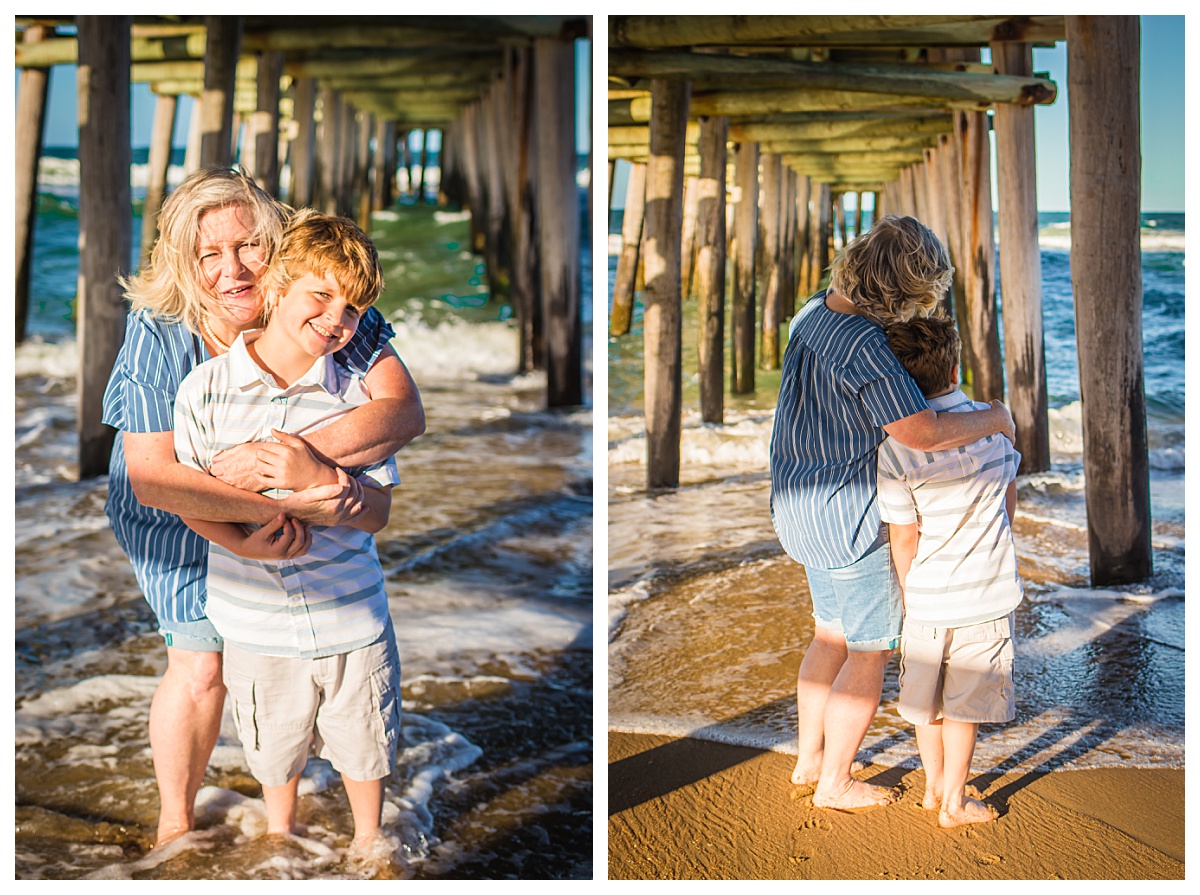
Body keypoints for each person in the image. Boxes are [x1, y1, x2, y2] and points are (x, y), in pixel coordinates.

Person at [101, 167, 424, 847]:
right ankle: (176, 828)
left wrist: (281, 457)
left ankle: (304, 810)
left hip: (283, 489)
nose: (232, 268)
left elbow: (402, 409)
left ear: (276, 245)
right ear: (183, 262)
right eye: (207, 253)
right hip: (171, 501)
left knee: (278, 650)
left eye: (248, 245)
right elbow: (156, 476)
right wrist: (249, 524)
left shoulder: (325, 301)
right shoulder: (160, 328)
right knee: (201, 659)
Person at [768, 215, 1016, 811]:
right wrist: (998, 418)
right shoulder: (868, 346)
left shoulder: (812, 311)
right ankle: (835, 782)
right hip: (851, 518)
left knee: (828, 635)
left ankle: (809, 760)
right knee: (870, 651)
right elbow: (923, 430)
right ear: (906, 291)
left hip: (798, 505)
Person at [174, 210, 402, 847]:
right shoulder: (204, 390)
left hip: (353, 617)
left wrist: (329, 488)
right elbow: (189, 497)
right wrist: (241, 542)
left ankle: (368, 842)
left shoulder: (358, 398)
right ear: (276, 285)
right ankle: (282, 841)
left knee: (365, 746)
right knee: (275, 749)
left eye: (353, 309)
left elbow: (380, 510)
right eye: (321, 295)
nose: (337, 319)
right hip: (254, 620)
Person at [876, 314, 1023, 828]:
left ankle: (933, 785)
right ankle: (955, 803)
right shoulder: (994, 426)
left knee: (928, 700)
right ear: (957, 365)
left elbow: (904, 536)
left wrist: (910, 593)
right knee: (965, 703)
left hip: (927, 597)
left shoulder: (895, 449)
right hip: (985, 594)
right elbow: (1008, 506)